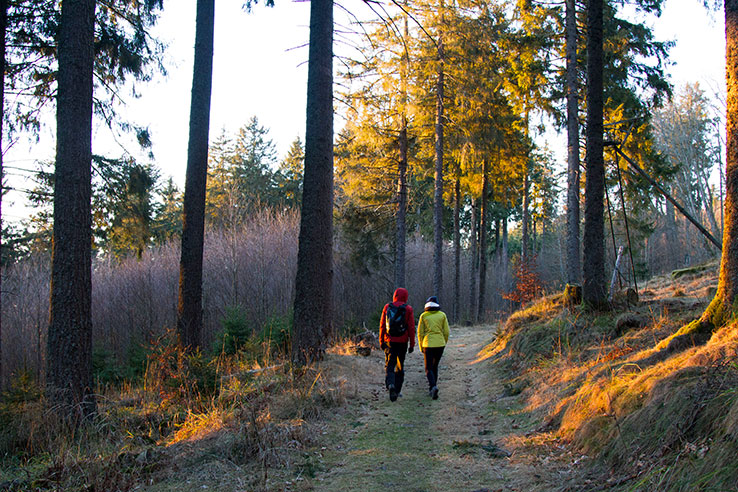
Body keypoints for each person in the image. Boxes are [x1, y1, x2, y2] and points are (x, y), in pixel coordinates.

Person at [379, 287, 415, 402]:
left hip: (389, 341)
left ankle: (390, 385)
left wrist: (381, 341)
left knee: (390, 365)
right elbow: (411, 328)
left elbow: (382, 325)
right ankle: (397, 391)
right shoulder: (408, 309)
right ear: (405, 296)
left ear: (395, 295)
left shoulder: (387, 307)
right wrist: (412, 344)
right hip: (402, 342)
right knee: (400, 365)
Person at [417, 296, 449, 400]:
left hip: (428, 344)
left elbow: (420, 332)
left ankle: (433, 386)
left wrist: (421, 345)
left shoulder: (423, 316)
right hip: (440, 344)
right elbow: (446, 331)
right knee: (435, 366)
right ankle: (433, 387)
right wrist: (444, 341)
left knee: (428, 368)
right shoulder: (442, 315)